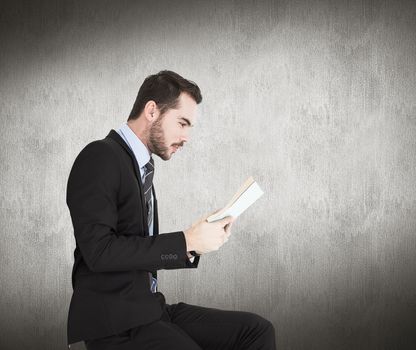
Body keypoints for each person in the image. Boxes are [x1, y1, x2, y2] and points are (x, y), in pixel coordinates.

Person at [66, 70, 276, 349]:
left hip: (151, 309)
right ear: (152, 110)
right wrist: (184, 240)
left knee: (257, 331)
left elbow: (137, 246)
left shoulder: (140, 168)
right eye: (182, 123)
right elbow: (99, 252)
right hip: (117, 324)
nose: (187, 137)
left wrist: (195, 244)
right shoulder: (100, 157)